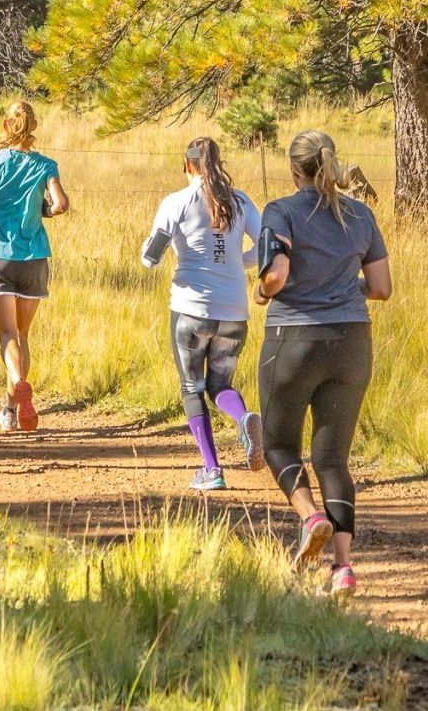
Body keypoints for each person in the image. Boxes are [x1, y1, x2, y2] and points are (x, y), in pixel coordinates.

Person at [258, 131, 393, 596]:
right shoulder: (361, 214)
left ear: (295, 170)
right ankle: (343, 568)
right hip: (352, 341)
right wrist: (340, 288)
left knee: (278, 445)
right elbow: (380, 287)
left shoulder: (281, 212)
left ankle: (310, 516)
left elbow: (275, 275)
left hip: (293, 338)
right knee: (333, 458)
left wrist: (261, 290)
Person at [144, 136, 263, 491]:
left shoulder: (177, 202)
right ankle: (243, 418)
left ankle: (212, 470)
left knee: (192, 388)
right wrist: (237, 262)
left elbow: (150, 258)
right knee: (220, 385)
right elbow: (267, 244)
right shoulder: (240, 201)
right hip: (234, 312)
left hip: (190, 311)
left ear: (187, 164)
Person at [0, 100, 71, 432]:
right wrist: (42, 210)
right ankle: (11, 405)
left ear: (4, 125)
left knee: (7, 335)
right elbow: (61, 204)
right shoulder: (45, 165)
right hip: (34, 257)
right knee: (22, 334)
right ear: (33, 126)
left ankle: (16, 385)